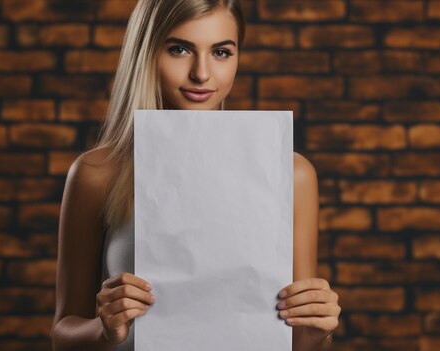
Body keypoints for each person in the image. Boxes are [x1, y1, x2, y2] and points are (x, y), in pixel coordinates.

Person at [51, 0, 341, 350]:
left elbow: (301, 341)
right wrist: (104, 329)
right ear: (145, 53)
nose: (202, 73)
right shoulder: (97, 173)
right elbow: (63, 334)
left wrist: (317, 329)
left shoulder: (291, 174)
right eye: (179, 49)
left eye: (221, 52)